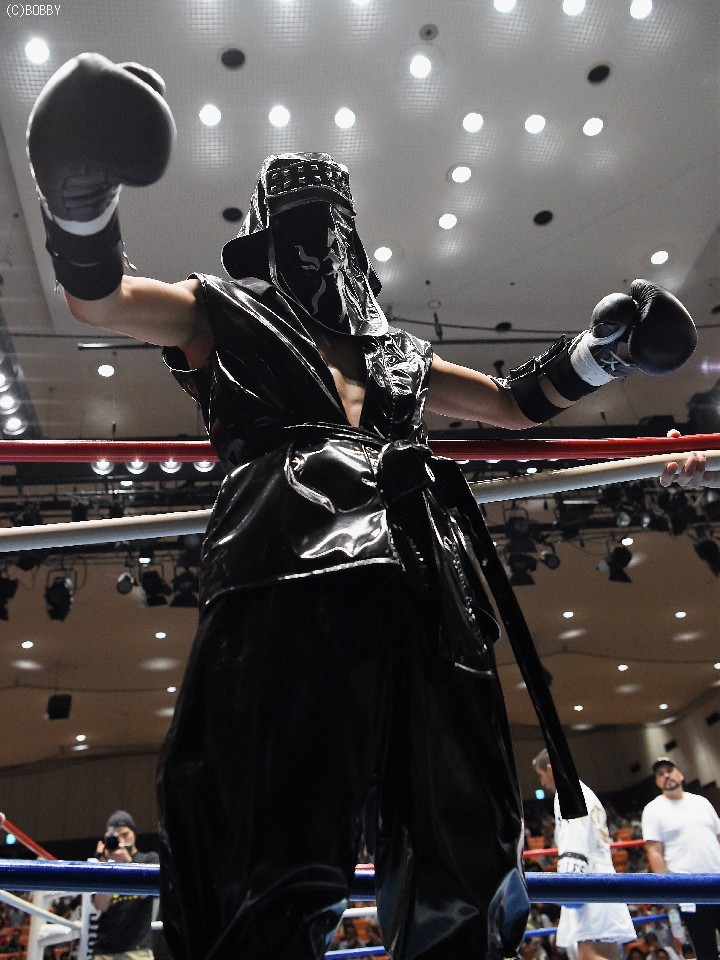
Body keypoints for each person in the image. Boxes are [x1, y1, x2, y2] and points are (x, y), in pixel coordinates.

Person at [25, 53, 697, 960]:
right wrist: (81, 192)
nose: (322, 244)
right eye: (302, 224)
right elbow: (101, 299)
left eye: (333, 223)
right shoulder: (222, 312)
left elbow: (513, 403)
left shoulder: (400, 356)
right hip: (283, 568)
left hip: (424, 587)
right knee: (263, 851)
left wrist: (602, 353)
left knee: (459, 846)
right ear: (265, 241)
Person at [533, 749, 637, 960]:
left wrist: (570, 884)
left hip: (586, 880)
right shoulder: (585, 791)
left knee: (587, 955)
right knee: (608, 952)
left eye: (541, 775)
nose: (542, 783)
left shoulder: (568, 794)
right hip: (603, 878)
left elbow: (574, 840)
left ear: (551, 769)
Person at [641, 758, 720, 960]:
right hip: (689, 889)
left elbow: (718, 837)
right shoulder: (653, 810)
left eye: (669, 770)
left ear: (680, 774)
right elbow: (654, 852)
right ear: (657, 781)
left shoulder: (701, 802)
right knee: (706, 950)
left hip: (717, 881)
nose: (666, 775)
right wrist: (667, 892)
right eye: (660, 774)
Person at [91, 810, 159, 960]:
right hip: (104, 950)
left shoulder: (148, 859)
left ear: (134, 834)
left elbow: (145, 893)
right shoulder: (105, 864)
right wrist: (104, 866)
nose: (121, 840)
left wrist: (127, 862)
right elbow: (102, 905)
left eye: (125, 834)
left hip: (137, 948)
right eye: (116, 836)